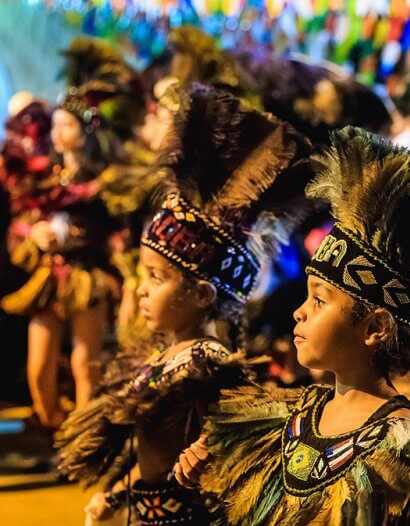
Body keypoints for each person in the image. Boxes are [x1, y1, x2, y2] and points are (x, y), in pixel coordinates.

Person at [173, 127, 410, 525]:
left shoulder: (402, 454)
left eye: (319, 300)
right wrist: (210, 468)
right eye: (306, 298)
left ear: (375, 328)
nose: (299, 313)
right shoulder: (295, 415)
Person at [55, 84, 313, 525]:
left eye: (156, 278)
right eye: (144, 274)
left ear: (201, 294)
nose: (141, 289)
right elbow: (149, 456)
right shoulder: (164, 356)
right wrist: (117, 495)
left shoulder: (206, 365)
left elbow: (225, 461)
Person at [1, 38, 142, 428]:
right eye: (57, 124)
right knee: (39, 366)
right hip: (49, 277)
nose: (58, 131)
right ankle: (54, 429)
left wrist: (75, 231)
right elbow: (19, 221)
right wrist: (35, 232)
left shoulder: (103, 181)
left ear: (85, 131)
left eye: (67, 125)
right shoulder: (43, 176)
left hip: (87, 277)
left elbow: (119, 233)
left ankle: (86, 439)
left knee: (85, 363)